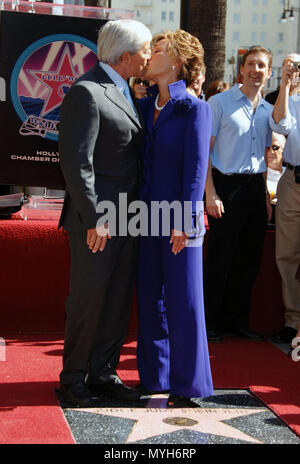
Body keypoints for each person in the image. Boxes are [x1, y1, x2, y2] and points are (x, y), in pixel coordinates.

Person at [57, 19, 152, 408]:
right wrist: (96, 217)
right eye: (145, 50)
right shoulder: (87, 91)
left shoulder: (126, 90)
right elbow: (77, 162)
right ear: (127, 55)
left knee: (115, 300)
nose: (148, 57)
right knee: (89, 298)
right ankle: (74, 377)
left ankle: (104, 372)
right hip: (97, 221)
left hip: (128, 217)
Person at [136, 30, 213, 407]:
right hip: (143, 217)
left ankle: (188, 384)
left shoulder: (194, 108)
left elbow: (197, 171)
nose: (150, 55)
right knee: (150, 298)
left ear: (178, 61)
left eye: (159, 50)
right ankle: (154, 379)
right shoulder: (146, 104)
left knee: (184, 301)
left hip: (181, 219)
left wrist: (183, 221)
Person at [204, 46, 273, 343]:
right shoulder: (219, 103)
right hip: (225, 186)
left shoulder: (270, 111)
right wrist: (210, 193)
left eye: (262, 66)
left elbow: (268, 154)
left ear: (269, 73)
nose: (256, 70)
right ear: (241, 69)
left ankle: (236, 322)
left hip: (256, 188)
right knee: (220, 258)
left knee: (249, 259)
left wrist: (266, 199)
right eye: (252, 64)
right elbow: (203, 152)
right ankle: (208, 323)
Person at [269, 53, 300, 344]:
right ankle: (293, 321)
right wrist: (285, 85)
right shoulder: (291, 99)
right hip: (292, 179)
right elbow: (279, 125)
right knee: (287, 253)